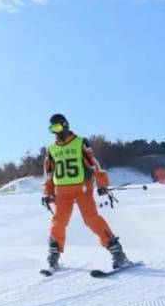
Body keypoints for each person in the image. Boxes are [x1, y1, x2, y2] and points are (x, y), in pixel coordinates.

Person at [42, 114, 130, 270]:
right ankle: (53, 256)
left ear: (65, 125)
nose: (55, 132)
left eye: (57, 127)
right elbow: (49, 173)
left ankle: (117, 253)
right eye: (51, 129)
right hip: (62, 192)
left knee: (91, 219)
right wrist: (47, 192)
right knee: (58, 222)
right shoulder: (52, 149)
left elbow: (94, 164)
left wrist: (102, 183)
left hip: (82, 189)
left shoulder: (80, 142)